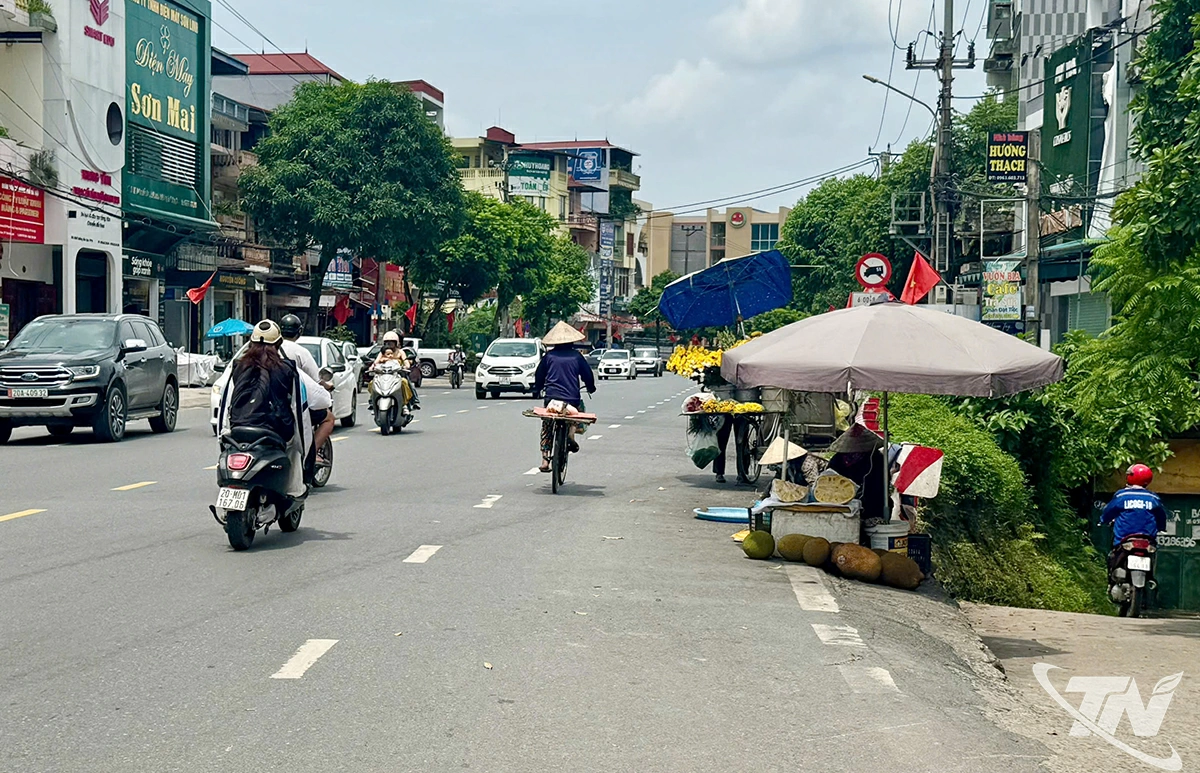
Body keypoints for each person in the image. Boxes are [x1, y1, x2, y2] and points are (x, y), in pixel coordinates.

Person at [217, 320, 307, 498]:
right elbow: (298, 405)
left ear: (251, 343)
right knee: (295, 451)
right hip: (276, 429)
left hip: (238, 426)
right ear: (279, 344)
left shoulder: (238, 366)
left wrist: (225, 431)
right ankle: (294, 492)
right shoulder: (287, 368)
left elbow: (226, 401)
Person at [533, 321, 595, 473]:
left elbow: (539, 376)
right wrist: (591, 387)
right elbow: (588, 375)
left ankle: (545, 459)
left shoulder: (549, 357)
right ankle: (571, 435)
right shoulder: (577, 357)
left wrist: (538, 389)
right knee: (576, 412)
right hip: (571, 399)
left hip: (551, 399)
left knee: (547, 424)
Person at [1100, 464, 1169, 566]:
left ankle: (1113, 574)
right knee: (1153, 554)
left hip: (1123, 540)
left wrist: (1103, 520)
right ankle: (1150, 577)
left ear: (1130, 476)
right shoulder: (1153, 498)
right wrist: (1161, 528)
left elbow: (1109, 511)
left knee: (1113, 555)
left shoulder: (1122, 496)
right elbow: (1161, 516)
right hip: (1147, 540)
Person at [371, 331, 419, 409]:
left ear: (396, 343)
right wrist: (372, 367)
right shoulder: (382, 352)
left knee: (405, 382)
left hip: (398, 374)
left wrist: (406, 366)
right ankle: (372, 402)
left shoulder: (400, 352)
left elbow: (406, 362)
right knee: (373, 383)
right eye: (387, 342)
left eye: (391, 342)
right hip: (384, 375)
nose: (389, 344)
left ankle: (412, 401)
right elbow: (376, 362)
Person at [279, 313, 320, 382]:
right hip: (293, 392)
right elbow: (315, 378)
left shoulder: (270, 348)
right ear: (300, 331)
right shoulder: (301, 352)